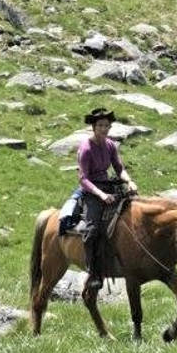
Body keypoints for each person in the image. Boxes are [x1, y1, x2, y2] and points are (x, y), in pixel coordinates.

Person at [77, 108, 137, 290]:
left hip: (108, 185)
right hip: (92, 191)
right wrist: (101, 195)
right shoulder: (86, 149)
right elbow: (83, 178)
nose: (104, 129)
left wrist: (129, 180)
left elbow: (119, 168)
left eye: (107, 126)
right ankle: (93, 272)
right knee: (92, 229)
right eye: (101, 125)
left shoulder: (110, 145)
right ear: (93, 127)